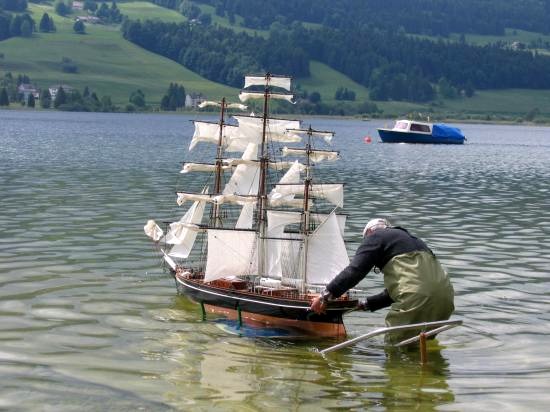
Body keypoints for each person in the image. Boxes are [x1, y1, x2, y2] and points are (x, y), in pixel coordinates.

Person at [310, 218, 455, 341]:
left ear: (369, 233)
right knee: (420, 344)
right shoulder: (413, 240)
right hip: (445, 299)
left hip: (416, 298)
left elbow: (355, 271)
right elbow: (405, 288)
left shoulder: (375, 237)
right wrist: (364, 304)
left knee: (394, 344)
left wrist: (325, 296)